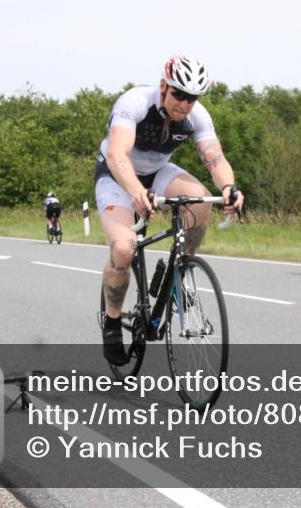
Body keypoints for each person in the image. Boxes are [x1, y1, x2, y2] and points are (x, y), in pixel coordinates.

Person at [96, 55, 244, 365]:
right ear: (164, 86)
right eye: (179, 94)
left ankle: (178, 268)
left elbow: (215, 160)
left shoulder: (197, 116)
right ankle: (111, 320)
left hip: (158, 172)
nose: (186, 104)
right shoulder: (135, 102)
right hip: (117, 175)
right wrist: (135, 191)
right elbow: (117, 155)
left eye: (193, 98)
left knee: (201, 202)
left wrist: (229, 188)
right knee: (124, 248)